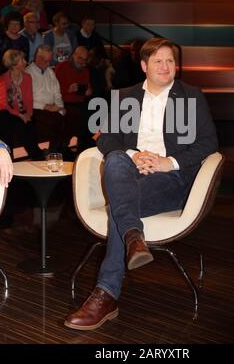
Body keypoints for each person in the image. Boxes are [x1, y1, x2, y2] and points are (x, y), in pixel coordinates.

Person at [64, 37, 218, 330]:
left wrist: (166, 162)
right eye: (158, 61)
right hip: (130, 173)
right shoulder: (126, 97)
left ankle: (105, 294)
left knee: (118, 209)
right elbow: (107, 138)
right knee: (116, 158)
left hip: (171, 179)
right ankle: (134, 237)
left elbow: (209, 142)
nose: (165, 66)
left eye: (170, 60)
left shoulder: (190, 96)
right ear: (145, 66)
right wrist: (135, 156)